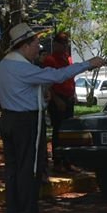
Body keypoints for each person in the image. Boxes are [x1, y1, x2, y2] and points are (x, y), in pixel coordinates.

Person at [0, 23, 106, 213]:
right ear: (25, 45)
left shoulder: (5, 64)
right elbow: (57, 75)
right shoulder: (22, 67)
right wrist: (88, 64)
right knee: (29, 168)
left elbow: (27, 88)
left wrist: (42, 93)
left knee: (13, 169)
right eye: (36, 44)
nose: (38, 48)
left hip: (9, 119)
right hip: (25, 122)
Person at [41, 31, 76, 173]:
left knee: (68, 131)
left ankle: (68, 161)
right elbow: (48, 83)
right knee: (58, 130)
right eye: (62, 43)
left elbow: (71, 78)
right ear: (56, 44)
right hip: (58, 98)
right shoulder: (50, 60)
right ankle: (57, 161)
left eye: (66, 43)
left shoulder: (68, 58)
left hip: (69, 97)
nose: (65, 46)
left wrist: (74, 94)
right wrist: (56, 99)